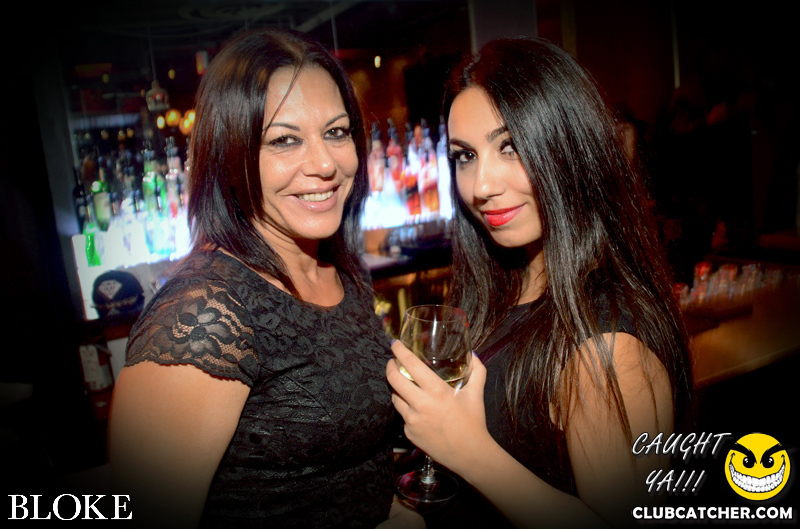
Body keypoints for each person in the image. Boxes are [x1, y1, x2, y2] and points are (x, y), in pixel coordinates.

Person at [108, 28, 422, 529]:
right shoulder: (202, 315)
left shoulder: (338, 268)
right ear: (229, 155)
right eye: (284, 140)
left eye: (336, 132)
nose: (325, 164)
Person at [386, 37, 692, 528]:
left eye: (510, 147)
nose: (482, 186)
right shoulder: (510, 286)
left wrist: (467, 450)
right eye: (465, 156)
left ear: (570, 147)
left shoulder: (607, 347)